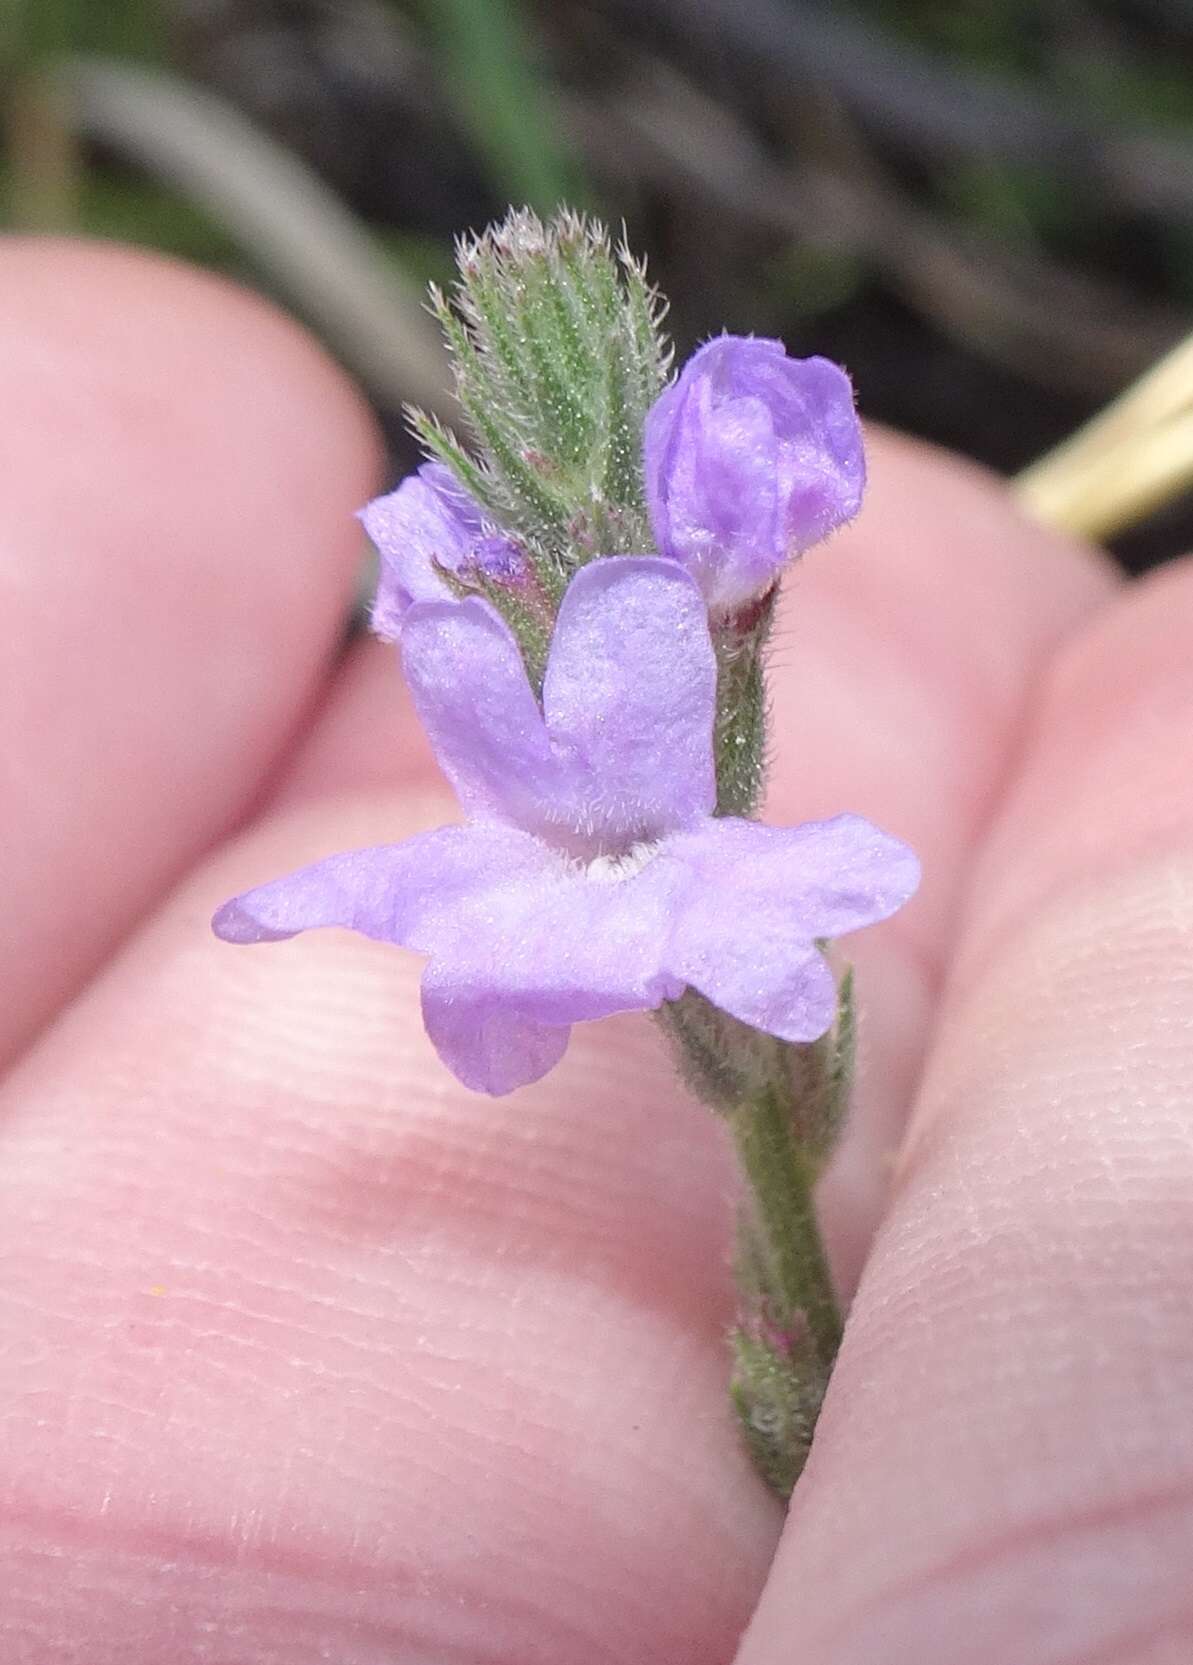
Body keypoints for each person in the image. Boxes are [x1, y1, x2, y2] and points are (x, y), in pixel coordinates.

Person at [2, 236, 1190, 1664]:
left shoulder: (661, 669)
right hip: (565, 848)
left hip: (686, 848)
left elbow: (667, 781)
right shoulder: (534, 697)